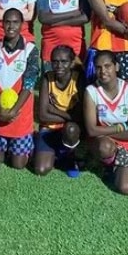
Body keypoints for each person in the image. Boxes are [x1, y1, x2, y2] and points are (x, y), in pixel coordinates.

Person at [0, 8, 40, 169]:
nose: (11, 26)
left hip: (19, 114)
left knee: (17, 165)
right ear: (2, 24)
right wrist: (0, 109)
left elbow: (29, 85)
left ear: (22, 25)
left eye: (15, 22)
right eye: (7, 22)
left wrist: (13, 111)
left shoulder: (31, 50)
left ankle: (29, 145)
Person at [83, 50, 128, 195]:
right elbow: (91, 130)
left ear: (116, 67)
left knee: (125, 188)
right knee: (104, 146)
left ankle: (115, 166)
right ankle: (106, 164)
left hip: (127, 142)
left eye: (107, 66)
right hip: (102, 141)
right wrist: (119, 128)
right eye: (98, 67)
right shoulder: (91, 92)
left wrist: (109, 132)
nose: (103, 71)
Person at [33, 45, 84, 176]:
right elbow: (43, 116)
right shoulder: (47, 78)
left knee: (71, 129)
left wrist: (54, 110)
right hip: (48, 128)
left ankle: (69, 157)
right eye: (55, 61)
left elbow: (79, 117)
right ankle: (56, 153)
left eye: (64, 62)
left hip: (68, 129)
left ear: (72, 63)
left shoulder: (78, 79)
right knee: (41, 169)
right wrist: (68, 115)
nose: (59, 65)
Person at [36, 0, 88, 71]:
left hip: (76, 46)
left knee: (77, 82)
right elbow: (43, 18)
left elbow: (85, 17)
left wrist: (56, 21)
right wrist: (74, 13)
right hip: (51, 44)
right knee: (50, 80)